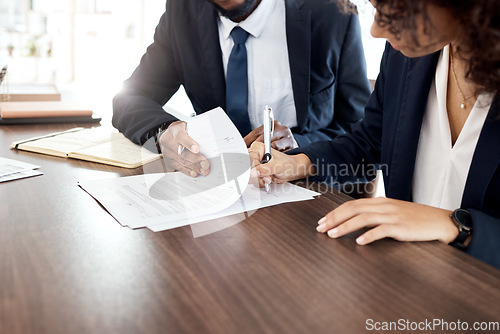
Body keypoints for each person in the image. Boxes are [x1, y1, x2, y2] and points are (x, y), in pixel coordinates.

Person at [250, 0, 500, 269]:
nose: (376, 30)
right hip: (403, 273)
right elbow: (368, 143)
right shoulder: (405, 55)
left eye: (398, 11)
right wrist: (298, 163)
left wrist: (455, 226)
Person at [112, 0, 371, 178]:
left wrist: (297, 145)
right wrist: (165, 131)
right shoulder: (183, 13)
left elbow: (361, 128)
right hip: (214, 184)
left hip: (307, 188)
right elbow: (130, 98)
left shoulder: (331, 11)